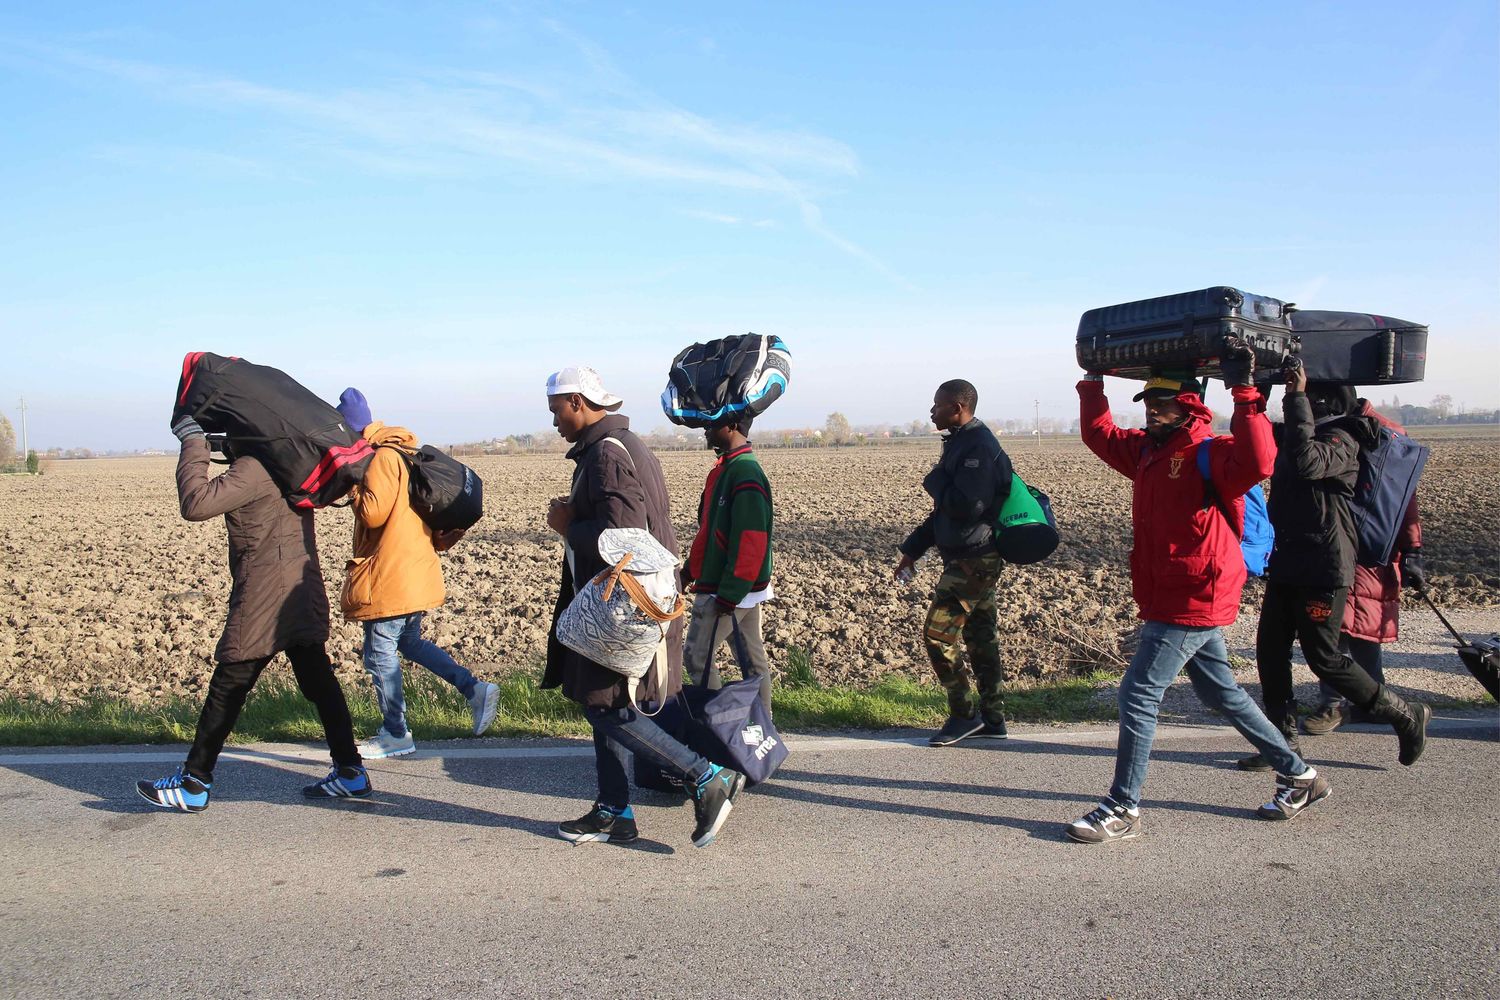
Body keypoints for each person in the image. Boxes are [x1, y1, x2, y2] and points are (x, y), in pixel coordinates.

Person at [1067, 348, 1329, 845]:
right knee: (1219, 692)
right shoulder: (1148, 450)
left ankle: (1122, 806)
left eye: (1162, 401)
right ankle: (1300, 777)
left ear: (1188, 404)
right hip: (1171, 588)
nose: (1150, 407)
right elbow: (1098, 434)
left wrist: (1246, 394)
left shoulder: (1210, 451)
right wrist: (1092, 385)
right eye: (1147, 399)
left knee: (1138, 694)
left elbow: (1261, 460)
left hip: (1195, 592)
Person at [542, 366, 744, 848]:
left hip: (622, 607)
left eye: (556, 411)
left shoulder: (606, 457)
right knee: (606, 701)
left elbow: (624, 538)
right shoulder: (624, 445)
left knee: (606, 707)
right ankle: (614, 811)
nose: (553, 422)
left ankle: (705, 777)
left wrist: (568, 525)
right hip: (632, 601)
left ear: (577, 402)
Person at [137, 414, 369, 811]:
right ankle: (350, 771)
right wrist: (224, 446)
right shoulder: (289, 462)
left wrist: (194, 443)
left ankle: (194, 783)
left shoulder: (254, 468)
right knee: (319, 681)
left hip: (265, 594)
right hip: (302, 588)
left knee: (230, 683)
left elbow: (195, 504)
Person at [1239, 369, 1430, 770]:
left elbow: (1309, 463)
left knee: (1323, 658)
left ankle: (1404, 713)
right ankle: (1282, 745)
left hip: (1325, 566)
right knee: (1270, 654)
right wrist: (1252, 388)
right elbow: (1255, 439)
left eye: (1310, 398)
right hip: (1288, 559)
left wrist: (1296, 400)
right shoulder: (1297, 432)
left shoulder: (1346, 438)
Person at [336, 388, 499, 760]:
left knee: (379, 654)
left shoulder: (381, 459)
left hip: (391, 575)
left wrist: (354, 486)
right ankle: (473, 689)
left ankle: (395, 733)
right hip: (413, 571)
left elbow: (374, 514)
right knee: (408, 643)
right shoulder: (405, 450)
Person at [893, 379, 1014, 747]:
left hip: (974, 559)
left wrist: (934, 480)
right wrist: (913, 550)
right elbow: (943, 514)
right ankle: (993, 718)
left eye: (938, 405)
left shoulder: (978, 446)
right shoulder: (962, 442)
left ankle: (963, 716)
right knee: (981, 639)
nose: (932, 411)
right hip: (968, 557)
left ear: (958, 407)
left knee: (936, 634)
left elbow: (967, 506)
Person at [1302, 394, 1426, 734]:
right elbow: (1404, 501)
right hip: (1363, 545)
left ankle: (1335, 705)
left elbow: (1401, 499)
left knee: (1339, 629)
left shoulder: (1361, 436)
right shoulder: (1382, 436)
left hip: (1357, 545)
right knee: (1353, 628)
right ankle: (1374, 701)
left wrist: (1413, 549)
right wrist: (1412, 549)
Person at [681, 412, 776, 711]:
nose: (706, 429)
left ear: (733, 426)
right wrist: (689, 570)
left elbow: (751, 538)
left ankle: (718, 728)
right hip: (737, 587)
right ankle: (761, 729)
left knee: (697, 656)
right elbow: (710, 531)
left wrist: (731, 592)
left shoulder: (744, 472)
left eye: (712, 424)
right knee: (751, 659)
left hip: (728, 588)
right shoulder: (726, 469)